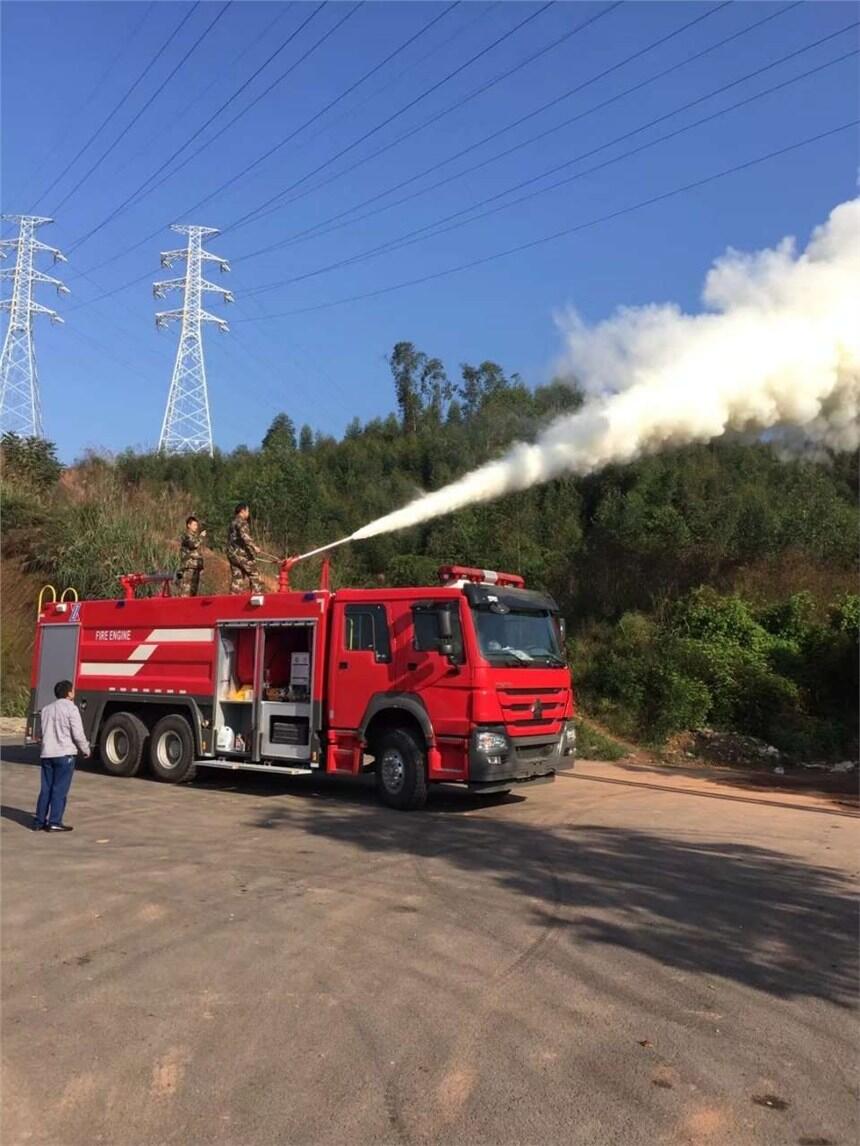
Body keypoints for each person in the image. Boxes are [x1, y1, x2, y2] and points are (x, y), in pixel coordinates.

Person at [32, 680, 90, 833]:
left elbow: (41, 733)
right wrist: (86, 749)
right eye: (73, 690)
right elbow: (77, 733)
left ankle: (39, 821)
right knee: (59, 789)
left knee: (46, 789)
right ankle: (54, 822)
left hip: (47, 754)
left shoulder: (46, 709)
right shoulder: (71, 709)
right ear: (69, 693)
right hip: (64, 754)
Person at [227, 502, 262, 594]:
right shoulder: (242, 522)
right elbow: (244, 536)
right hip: (241, 554)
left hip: (232, 554)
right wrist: (254, 547)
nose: (248, 513)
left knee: (237, 578)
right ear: (243, 511)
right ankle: (256, 597)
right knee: (254, 574)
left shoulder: (233, 522)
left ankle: (232, 601)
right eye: (248, 511)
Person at [177, 514, 206, 597]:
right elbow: (193, 545)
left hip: (196, 568)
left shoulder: (195, 537)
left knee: (193, 593)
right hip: (188, 569)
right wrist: (201, 537)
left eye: (196, 525)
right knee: (186, 593)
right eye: (194, 525)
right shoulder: (186, 537)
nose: (196, 527)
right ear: (188, 525)